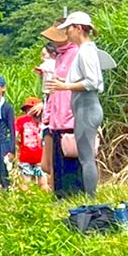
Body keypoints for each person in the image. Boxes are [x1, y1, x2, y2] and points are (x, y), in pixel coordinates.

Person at [57, 11, 106, 196]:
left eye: (69, 28)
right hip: (84, 108)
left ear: (78, 28)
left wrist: (65, 86)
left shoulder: (86, 51)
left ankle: (91, 197)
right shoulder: (85, 51)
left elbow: (92, 82)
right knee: (85, 157)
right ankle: (89, 194)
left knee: (86, 158)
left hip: (88, 107)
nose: (67, 33)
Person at [40, 24, 83, 198]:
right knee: (57, 164)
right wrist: (48, 114)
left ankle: (74, 196)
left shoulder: (77, 54)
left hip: (70, 117)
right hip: (56, 119)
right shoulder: (58, 57)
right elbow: (52, 88)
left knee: (71, 162)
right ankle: (60, 196)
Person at [15, 96, 47, 190]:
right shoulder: (21, 121)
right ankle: (27, 201)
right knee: (26, 183)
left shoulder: (44, 120)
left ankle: (43, 200)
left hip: (41, 157)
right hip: (26, 157)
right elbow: (14, 135)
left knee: (43, 182)